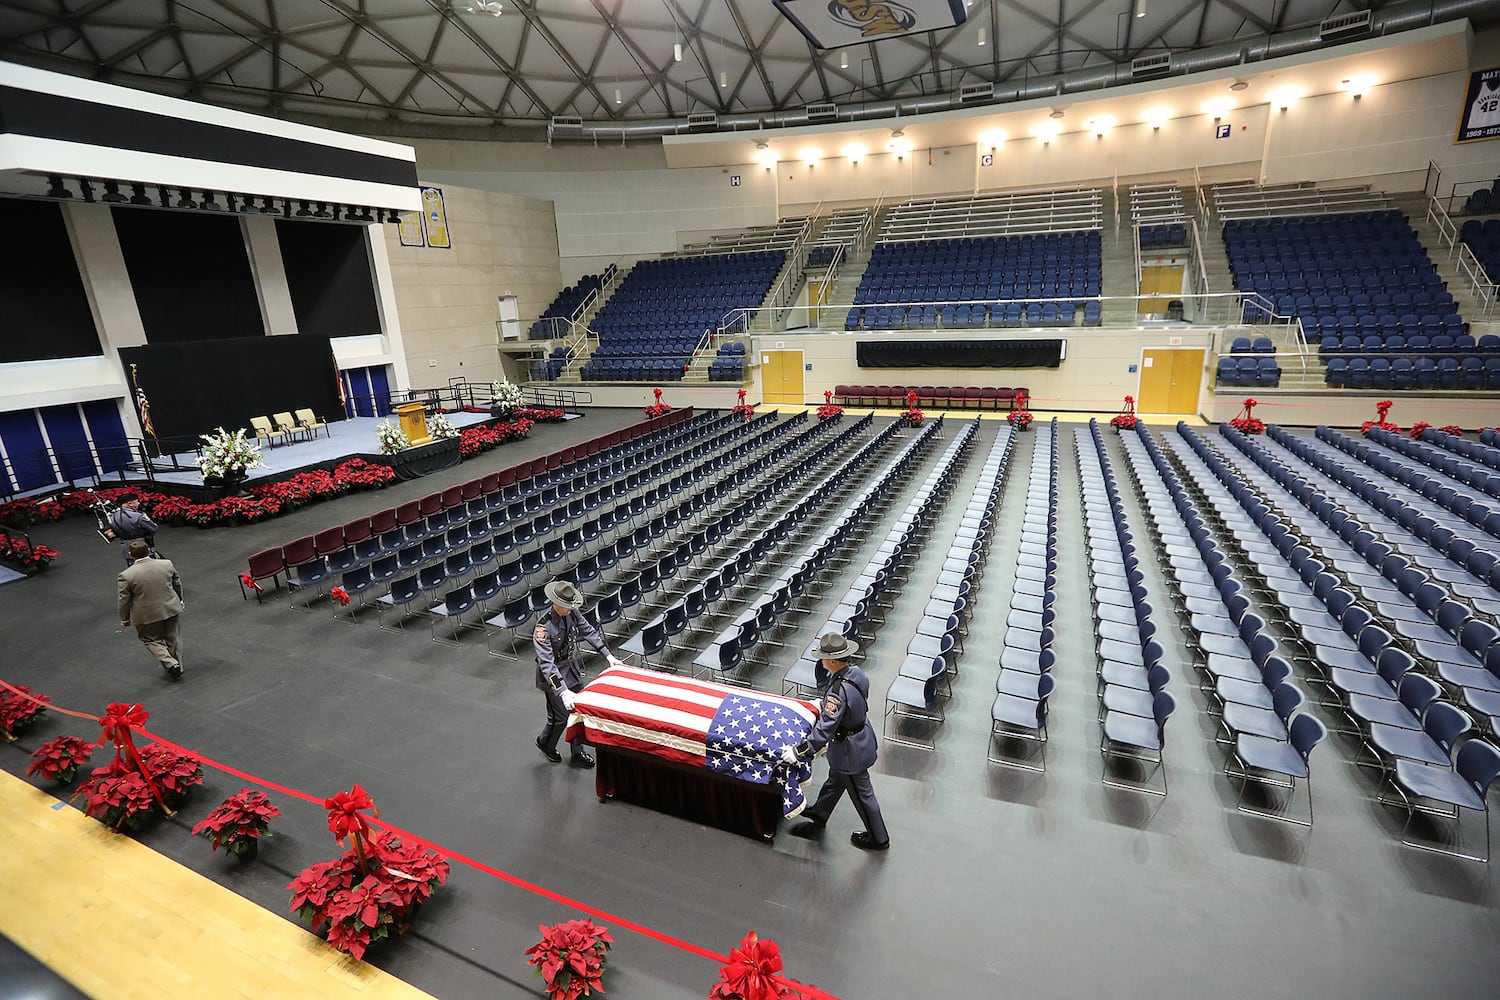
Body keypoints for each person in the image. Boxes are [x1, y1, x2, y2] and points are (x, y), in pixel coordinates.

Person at [784, 632, 890, 850]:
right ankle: (821, 812)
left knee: (862, 795)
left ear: (832, 661)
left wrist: (799, 751)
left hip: (850, 752)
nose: (821, 660)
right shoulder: (856, 673)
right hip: (860, 738)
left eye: (823, 657)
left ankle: (879, 838)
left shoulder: (837, 691)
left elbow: (824, 730)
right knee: (835, 780)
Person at [534, 579, 624, 767]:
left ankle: (577, 750)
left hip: (570, 668)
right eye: (567, 606)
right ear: (557, 604)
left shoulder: (571, 612)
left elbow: (588, 631)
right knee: (559, 718)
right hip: (553, 677)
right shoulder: (543, 628)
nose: (571, 609)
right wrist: (562, 691)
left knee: (580, 712)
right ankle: (545, 743)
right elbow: (547, 664)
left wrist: (608, 656)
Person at [117, 540, 185, 681]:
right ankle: (177, 666)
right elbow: (176, 582)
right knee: (173, 637)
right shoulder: (166, 564)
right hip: (170, 607)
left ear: (130, 554)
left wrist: (125, 618)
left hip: (146, 615)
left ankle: (171, 664)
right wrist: (180, 599)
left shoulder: (126, 575)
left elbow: (124, 599)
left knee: (150, 640)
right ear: (148, 551)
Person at [106, 493, 159, 565]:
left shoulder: (113, 516)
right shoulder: (138, 516)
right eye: (137, 501)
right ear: (129, 504)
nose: (138, 503)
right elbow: (153, 528)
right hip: (142, 547)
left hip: (127, 549)